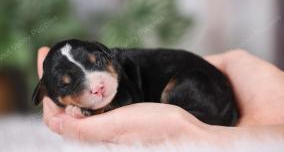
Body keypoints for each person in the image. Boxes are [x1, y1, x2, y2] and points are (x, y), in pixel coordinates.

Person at [37, 47, 284, 144]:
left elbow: (125, 101)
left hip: (206, 90)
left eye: (97, 64)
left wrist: (89, 108)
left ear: (108, 55)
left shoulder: (124, 74)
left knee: (186, 84)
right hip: (226, 106)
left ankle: (205, 123)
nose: (96, 86)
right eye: (69, 85)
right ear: (49, 93)